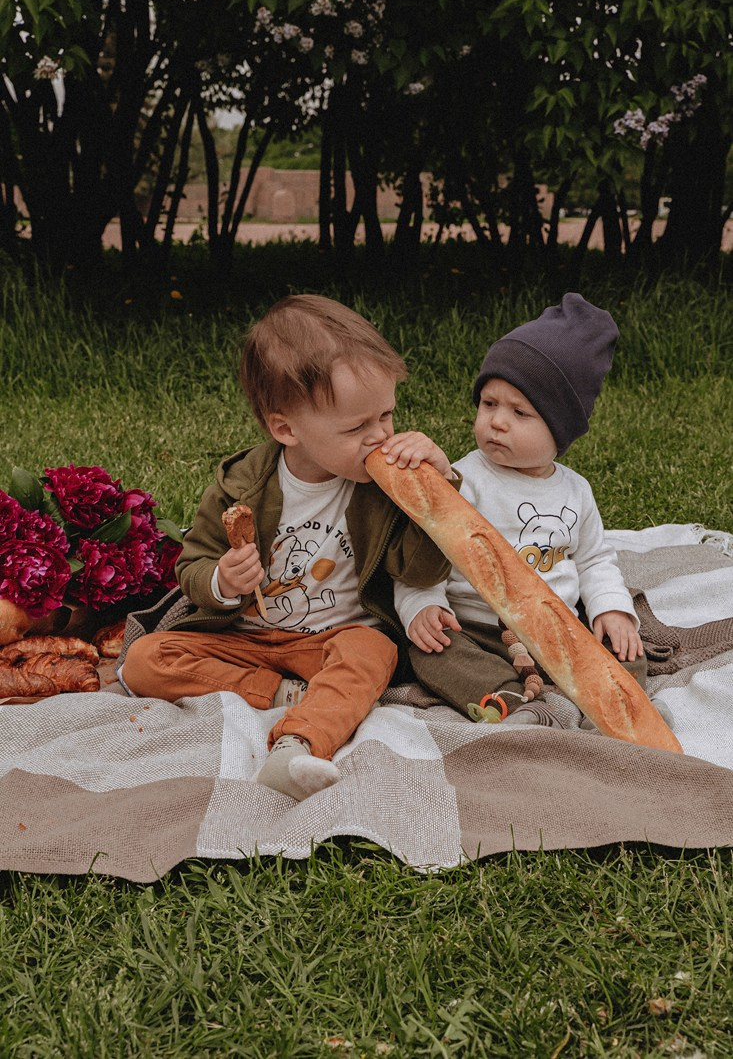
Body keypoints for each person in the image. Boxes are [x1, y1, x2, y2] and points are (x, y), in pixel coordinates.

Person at [120, 294, 454, 800]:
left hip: (331, 641)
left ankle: (298, 745)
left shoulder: (384, 486)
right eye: (357, 427)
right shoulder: (242, 485)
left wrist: (440, 489)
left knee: (374, 650)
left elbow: (423, 569)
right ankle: (284, 695)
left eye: (386, 415)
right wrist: (222, 581)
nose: (380, 436)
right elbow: (192, 564)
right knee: (144, 660)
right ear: (285, 428)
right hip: (244, 638)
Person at [394, 292, 647, 727]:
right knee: (432, 651)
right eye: (488, 404)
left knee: (627, 654)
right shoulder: (461, 480)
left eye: (520, 412)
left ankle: (604, 708)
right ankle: (513, 704)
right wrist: (422, 605)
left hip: (558, 627)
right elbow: (422, 551)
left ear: (560, 430)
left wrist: (611, 608)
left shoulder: (575, 491)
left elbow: (593, 559)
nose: (497, 421)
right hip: (475, 627)